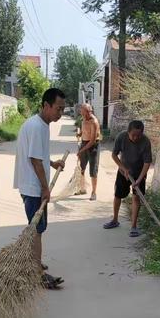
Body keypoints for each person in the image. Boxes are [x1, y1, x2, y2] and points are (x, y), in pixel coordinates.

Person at [14, 88, 66, 289]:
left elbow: (40, 157)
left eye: (62, 110)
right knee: (37, 229)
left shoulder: (42, 125)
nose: (60, 114)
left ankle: (35, 262)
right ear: (46, 105)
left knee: (37, 228)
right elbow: (34, 160)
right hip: (33, 187)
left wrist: (52, 163)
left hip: (33, 185)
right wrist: (45, 188)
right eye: (58, 109)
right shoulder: (36, 127)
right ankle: (36, 273)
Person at [103, 120, 152, 237]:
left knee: (136, 198)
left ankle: (134, 226)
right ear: (128, 132)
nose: (136, 137)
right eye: (133, 135)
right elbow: (114, 155)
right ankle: (115, 220)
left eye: (139, 135)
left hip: (139, 173)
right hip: (123, 172)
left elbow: (147, 162)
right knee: (118, 195)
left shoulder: (145, 141)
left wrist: (140, 179)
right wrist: (123, 168)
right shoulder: (121, 137)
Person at [77, 103, 101, 200]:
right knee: (81, 168)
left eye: (83, 112)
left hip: (93, 146)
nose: (81, 113)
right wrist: (80, 134)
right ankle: (82, 189)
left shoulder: (94, 122)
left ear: (89, 111)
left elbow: (92, 141)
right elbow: (84, 131)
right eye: (81, 112)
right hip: (84, 143)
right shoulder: (83, 119)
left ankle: (94, 192)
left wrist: (81, 150)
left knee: (93, 170)